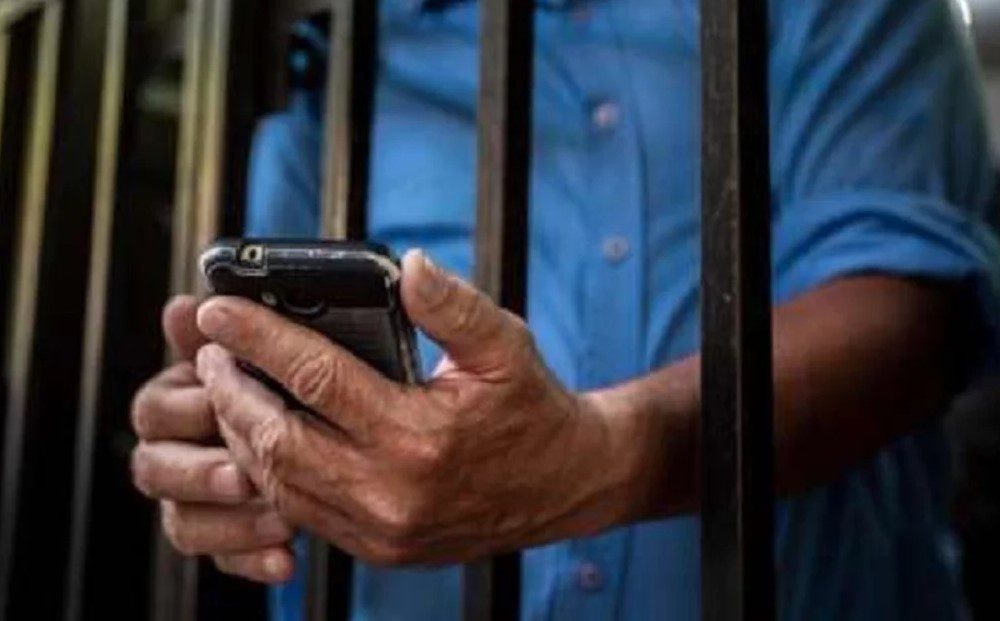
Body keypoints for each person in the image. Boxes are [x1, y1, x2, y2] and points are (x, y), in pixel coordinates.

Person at [129, 1, 1000, 619]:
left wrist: (608, 456)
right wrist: (239, 443)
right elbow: (275, 372)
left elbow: (913, 317)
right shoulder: (338, 57)